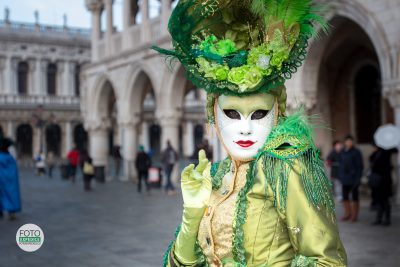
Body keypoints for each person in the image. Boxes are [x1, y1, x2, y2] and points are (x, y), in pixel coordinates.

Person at [154, 1, 347, 266]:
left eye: (258, 114)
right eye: (232, 114)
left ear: (277, 113)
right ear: (214, 115)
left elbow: (328, 261)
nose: (245, 128)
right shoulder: (216, 175)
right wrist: (192, 214)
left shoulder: (285, 171)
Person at [338, 135, 363, 222]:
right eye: (347, 141)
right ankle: (347, 214)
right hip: (344, 178)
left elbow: (360, 166)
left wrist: (358, 178)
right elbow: (340, 164)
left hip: (353, 178)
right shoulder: (342, 152)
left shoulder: (356, 152)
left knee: (354, 197)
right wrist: (340, 175)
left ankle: (354, 215)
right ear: (345, 142)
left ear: (352, 142)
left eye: (350, 141)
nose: (349, 143)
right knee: (345, 197)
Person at [369, 145, 393, 226]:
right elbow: (371, 160)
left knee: (385, 200)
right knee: (379, 200)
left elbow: (384, 167)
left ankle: (387, 219)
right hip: (377, 181)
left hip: (384, 182)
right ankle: (379, 218)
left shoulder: (386, 153)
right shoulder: (376, 153)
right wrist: (374, 153)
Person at [0, 138, 21, 220]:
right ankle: (11, 211)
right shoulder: (11, 158)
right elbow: (13, 171)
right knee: (11, 194)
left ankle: (1, 211)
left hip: (1, 179)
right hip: (10, 181)